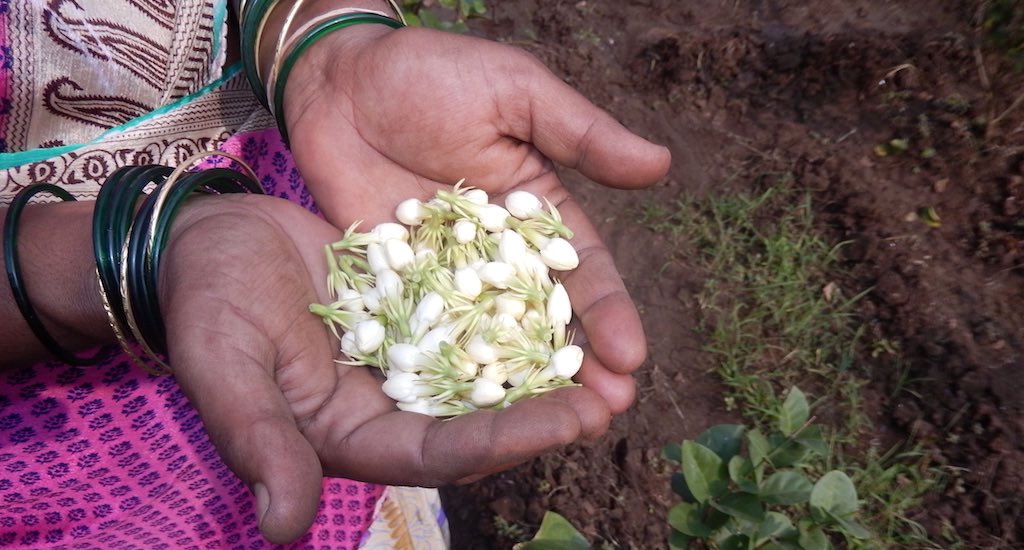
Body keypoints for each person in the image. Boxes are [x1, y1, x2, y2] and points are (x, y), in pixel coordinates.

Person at [0, 0, 671, 547]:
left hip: (312, 233)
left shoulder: (371, 254)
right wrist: (134, 253)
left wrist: (324, 37)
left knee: (370, 417)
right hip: (70, 448)